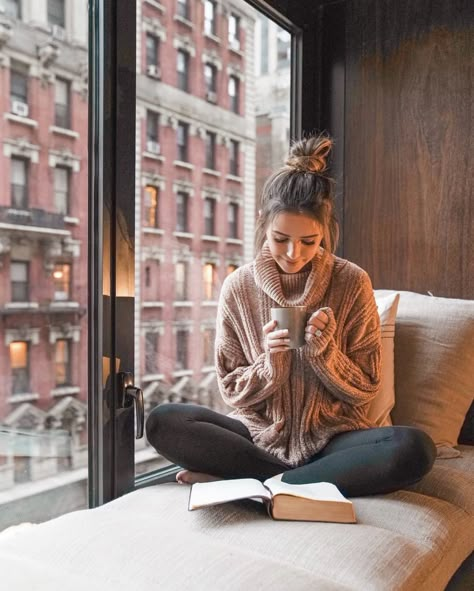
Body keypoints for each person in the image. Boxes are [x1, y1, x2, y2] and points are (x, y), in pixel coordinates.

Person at [146, 134, 436, 497]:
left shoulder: (352, 282)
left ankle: (262, 481)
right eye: (280, 238)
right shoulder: (238, 286)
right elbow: (232, 389)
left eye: (309, 241)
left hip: (335, 439)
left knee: (414, 449)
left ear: (325, 233)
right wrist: (271, 361)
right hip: (257, 435)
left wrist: (324, 354)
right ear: (263, 224)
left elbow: (366, 387)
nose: (293, 253)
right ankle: (297, 480)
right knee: (163, 422)